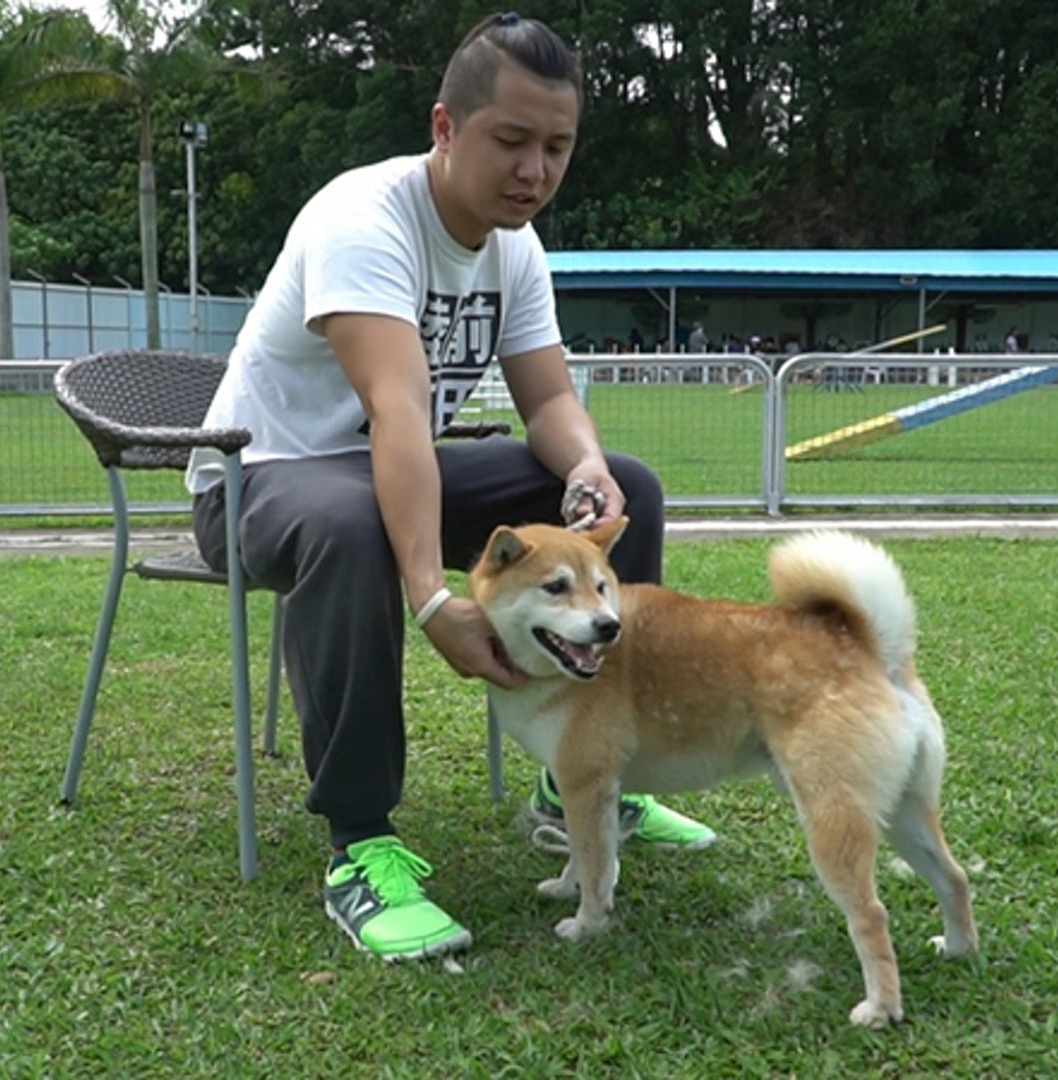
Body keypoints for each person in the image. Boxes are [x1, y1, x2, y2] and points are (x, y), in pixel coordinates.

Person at [184, 12, 715, 963]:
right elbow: (396, 411)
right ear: (444, 126)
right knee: (350, 521)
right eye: (510, 140)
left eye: (556, 147)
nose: (534, 171)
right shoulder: (363, 219)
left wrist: (585, 468)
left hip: (378, 469)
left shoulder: (516, 248)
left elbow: (547, 399)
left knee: (629, 483)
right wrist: (433, 600)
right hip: (255, 477)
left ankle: (578, 777)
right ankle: (360, 844)